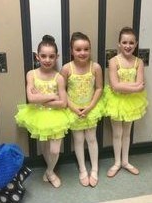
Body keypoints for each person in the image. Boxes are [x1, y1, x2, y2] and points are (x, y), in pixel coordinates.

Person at [15, 35, 70, 188]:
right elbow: (31, 99)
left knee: (54, 149)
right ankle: (50, 172)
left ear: (57, 57)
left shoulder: (59, 78)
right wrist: (52, 96)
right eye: (43, 56)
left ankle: (50, 171)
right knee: (44, 146)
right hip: (38, 116)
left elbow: (64, 103)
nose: (47, 59)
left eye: (51, 56)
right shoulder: (31, 74)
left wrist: (41, 98)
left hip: (57, 117)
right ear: (37, 56)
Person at [61, 32, 104, 187]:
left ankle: (95, 169)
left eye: (86, 49)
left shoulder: (96, 67)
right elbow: (62, 91)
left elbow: (99, 88)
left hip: (91, 109)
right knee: (78, 140)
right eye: (78, 49)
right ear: (72, 51)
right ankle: (83, 169)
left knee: (92, 139)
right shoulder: (66, 68)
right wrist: (73, 108)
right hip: (73, 110)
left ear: (90, 50)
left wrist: (90, 106)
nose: (82, 53)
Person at [104, 27, 148, 178]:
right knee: (117, 133)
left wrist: (130, 87)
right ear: (119, 44)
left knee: (127, 133)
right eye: (124, 42)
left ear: (136, 44)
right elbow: (115, 87)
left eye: (131, 42)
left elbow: (141, 85)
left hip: (131, 103)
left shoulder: (139, 62)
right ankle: (117, 162)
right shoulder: (113, 61)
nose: (128, 45)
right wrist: (134, 87)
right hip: (116, 102)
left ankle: (125, 161)